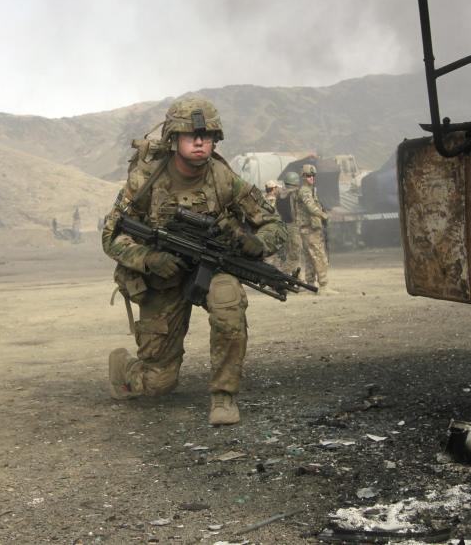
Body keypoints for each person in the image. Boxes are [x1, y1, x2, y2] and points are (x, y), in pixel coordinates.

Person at [102, 96, 286, 426]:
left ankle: (223, 396)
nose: (200, 141)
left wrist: (257, 243)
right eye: (190, 135)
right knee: (158, 384)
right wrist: (149, 258)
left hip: (210, 267)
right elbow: (111, 236)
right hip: (163, 277)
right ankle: (125, 367)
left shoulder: (224, 178)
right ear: (173, 139)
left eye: (207, 135)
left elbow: (274, 224)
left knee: (228, 301)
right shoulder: (144, 180)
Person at [295, 164, 336, 295]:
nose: (311, 178)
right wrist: (324, 215)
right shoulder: (305, 191)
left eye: (313, 175)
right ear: (303, 177)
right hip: (310, 230)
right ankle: (323, 285)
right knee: (318, 256)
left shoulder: (310, 190)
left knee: (310, 258)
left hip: (308, 229)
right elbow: (311, 207)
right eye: (308, 175)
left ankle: (310, 285)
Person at [279, 172, 303, 276]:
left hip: (283, 226)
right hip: (293, 227)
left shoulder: (279, 195)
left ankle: (297, 278)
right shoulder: (294, 194)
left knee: (288, 253)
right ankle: (282, 275)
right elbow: (296, 212)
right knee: (295, 254)